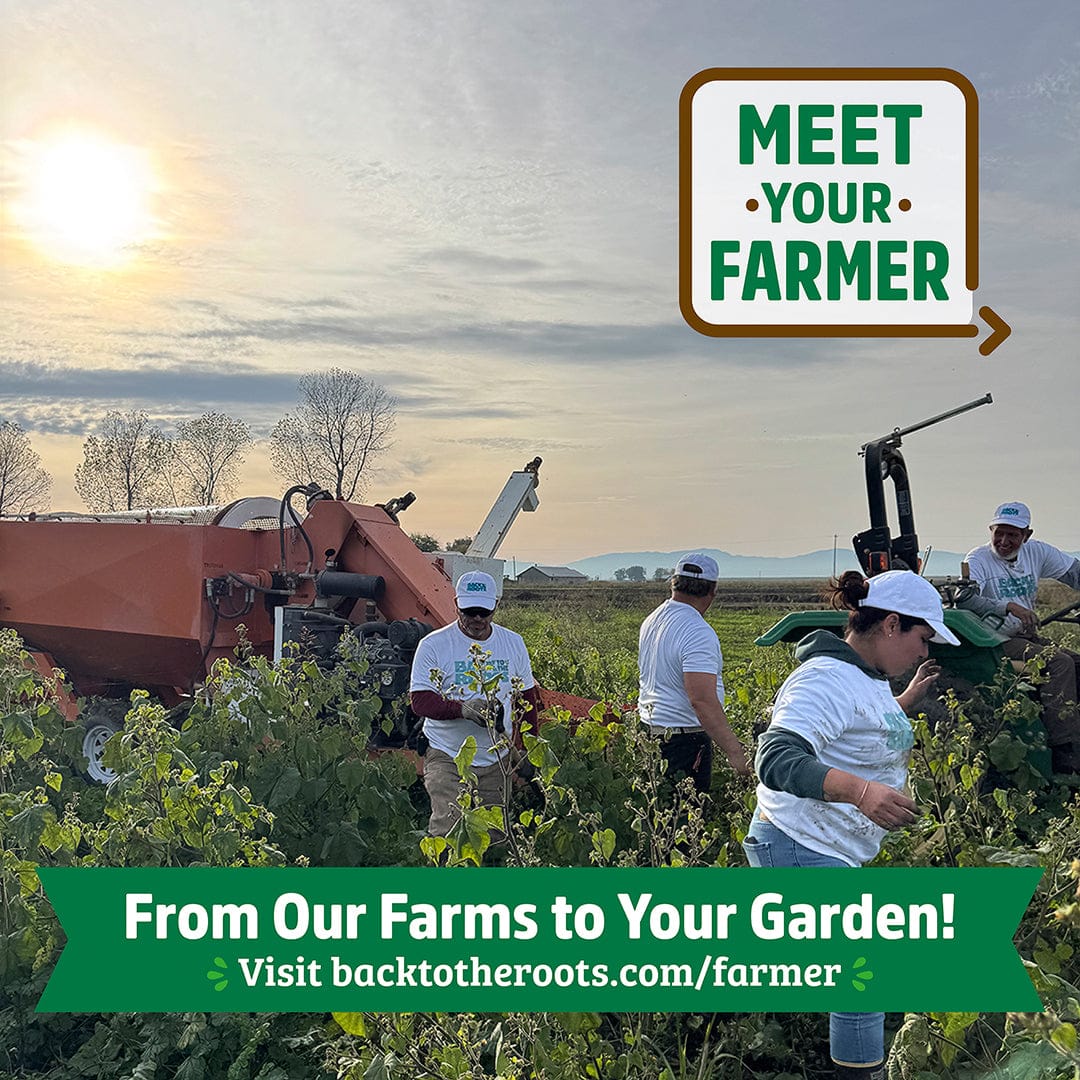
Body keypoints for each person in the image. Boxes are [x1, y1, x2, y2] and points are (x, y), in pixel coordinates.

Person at [745, 569, 958, 1080]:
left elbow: (858, 721)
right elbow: (775, 757)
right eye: (922, 639)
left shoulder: (866, 677)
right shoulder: (825, 677)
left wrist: (902, 704)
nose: (922, 653)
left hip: (826, 847)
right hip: (797, 844)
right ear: (890, 625)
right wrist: (862, 792)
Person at [409, 571, 541, 841]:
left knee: (494, 839)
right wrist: (462, 709)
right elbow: (420, 701)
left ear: (496, 605)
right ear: (456, 605)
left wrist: (529, 748)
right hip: (448, 756)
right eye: (469, 612)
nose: (477, 620)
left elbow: (526, 700)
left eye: (484, 611)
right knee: (451, 834)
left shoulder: (512, 643)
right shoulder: (434, 645)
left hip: (496, 760)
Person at [958, 501, 1080, 771]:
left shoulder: (1036, 553)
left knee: (1077, 663)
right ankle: (1064, 752)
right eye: (998, 532)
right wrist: (1008, 606)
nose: (1003, 541)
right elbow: (965, 599)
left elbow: (1075, 574)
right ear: (990, 529)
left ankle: (1072, 730)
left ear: (1027, 535)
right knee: (1060, 664)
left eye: (1012, 534)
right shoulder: (978, 559)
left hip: (1024, 637)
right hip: (993, 640)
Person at [637, 552, 750, 792]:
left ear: (674, 583)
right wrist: (735, 753)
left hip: (650, 735)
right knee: (686, 823)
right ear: (712, 591)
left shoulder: (653, 619)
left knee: (660, 817)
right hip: (684, 743)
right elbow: (701, 700)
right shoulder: (697, 631)